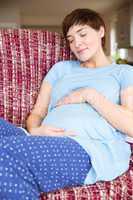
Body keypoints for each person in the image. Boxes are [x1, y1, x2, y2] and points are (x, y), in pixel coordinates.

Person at [0, 8, 133, 200]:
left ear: (101, 31)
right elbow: (37, 112)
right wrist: (36, 130)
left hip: (89, 147)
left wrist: (89, 95)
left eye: (82, 34)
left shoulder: (123, 72)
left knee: (5, 155)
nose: (77, 44)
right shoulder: (61, 69)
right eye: (70, 40)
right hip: (39, 138)